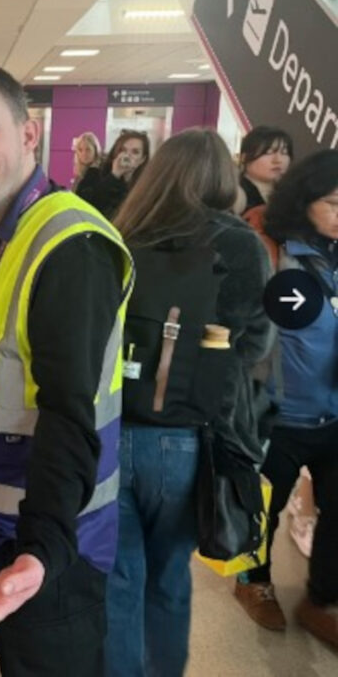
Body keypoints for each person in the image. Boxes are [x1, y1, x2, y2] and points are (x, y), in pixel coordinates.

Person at [0, 64, 133, 676]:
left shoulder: (68, 246)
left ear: (28, 134)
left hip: (49, 544)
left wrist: (41, 550)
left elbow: (70, 413)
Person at [104, 130, 273, 676]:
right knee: (171, 579)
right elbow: (253, 345)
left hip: (110, 430)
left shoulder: (119, 234)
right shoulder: (239, 243)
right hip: (190, 438)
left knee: (118, 579)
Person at [233, 150, 338, 649]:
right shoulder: (271, 248)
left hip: (334, 415)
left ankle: (320, 599)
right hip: (276, 415)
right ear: (304, 201)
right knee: (261, 510)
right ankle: (254, 582)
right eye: (334, 203)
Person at [75, 129, 149, 219]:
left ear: (142, 159)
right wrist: (114, 175)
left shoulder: (147, 185)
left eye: (135, 152)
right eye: (123, 150)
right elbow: (82, 204)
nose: (127, 155)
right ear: (116, 152)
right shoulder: (95, 172)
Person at [237, 126, 293, 213]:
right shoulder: (234, 193)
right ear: (244, 157)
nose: (278, 160)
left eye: (284, 152)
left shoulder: (291, 193)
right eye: (268, 153)